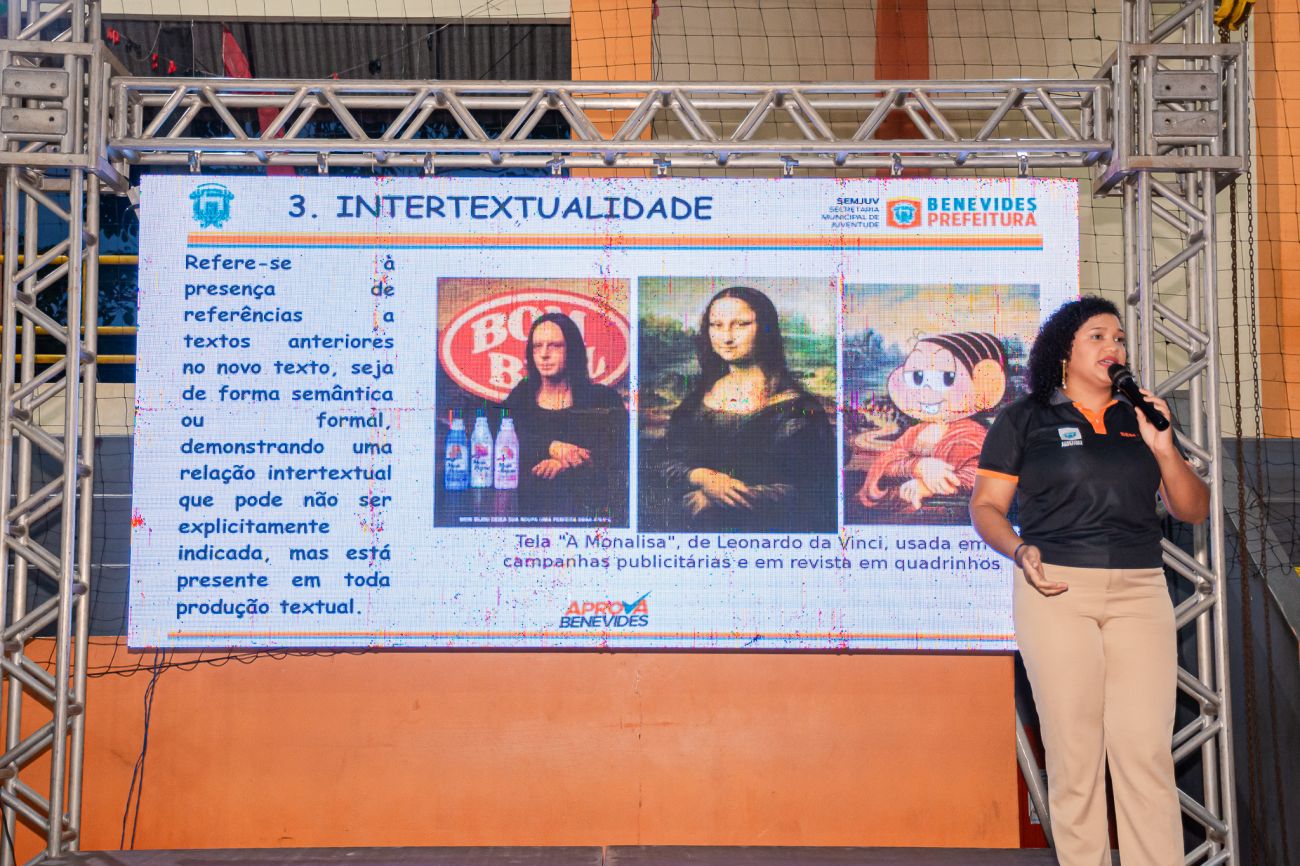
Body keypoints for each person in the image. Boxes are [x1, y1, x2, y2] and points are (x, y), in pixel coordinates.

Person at [969, 296, 1208, 866]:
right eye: (1098, 336)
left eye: (1119, 338)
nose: (1113, 346)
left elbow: (1193, 508)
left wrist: (1164, 449)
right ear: (1064, 352)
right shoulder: (1025, 418)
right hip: (1056, 589)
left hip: (1140, 591)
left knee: (1144, 752)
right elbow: (985, 506)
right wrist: (1019, 548)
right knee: (1075, 754)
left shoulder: (1143, 417)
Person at [653, 286, 835, 532]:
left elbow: (812, 491)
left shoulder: (798, 409)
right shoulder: (695, 402)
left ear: (765, 328)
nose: (726, 337)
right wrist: (703, 477)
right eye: (716, 325)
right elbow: (664, 463)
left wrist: (717, 499)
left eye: (740, 324)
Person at [857, 331, 1007, 517]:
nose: (926, 390)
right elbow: (888, 461)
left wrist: (927, 487)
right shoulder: (916, 431)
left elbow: (982, 476)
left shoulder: (973, 434)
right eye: (918, 377)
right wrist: (918, 466)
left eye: (947, 378)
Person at [503, 312, 629, 524]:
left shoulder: (603, 398)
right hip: (529, 515)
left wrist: (565, 465)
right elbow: (499, 434)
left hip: (588, 517)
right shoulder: (522, 395)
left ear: (572, 350)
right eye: (537, 346)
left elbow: (618, 456)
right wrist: (551, 447)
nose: (544, 354)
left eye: (555, 346)